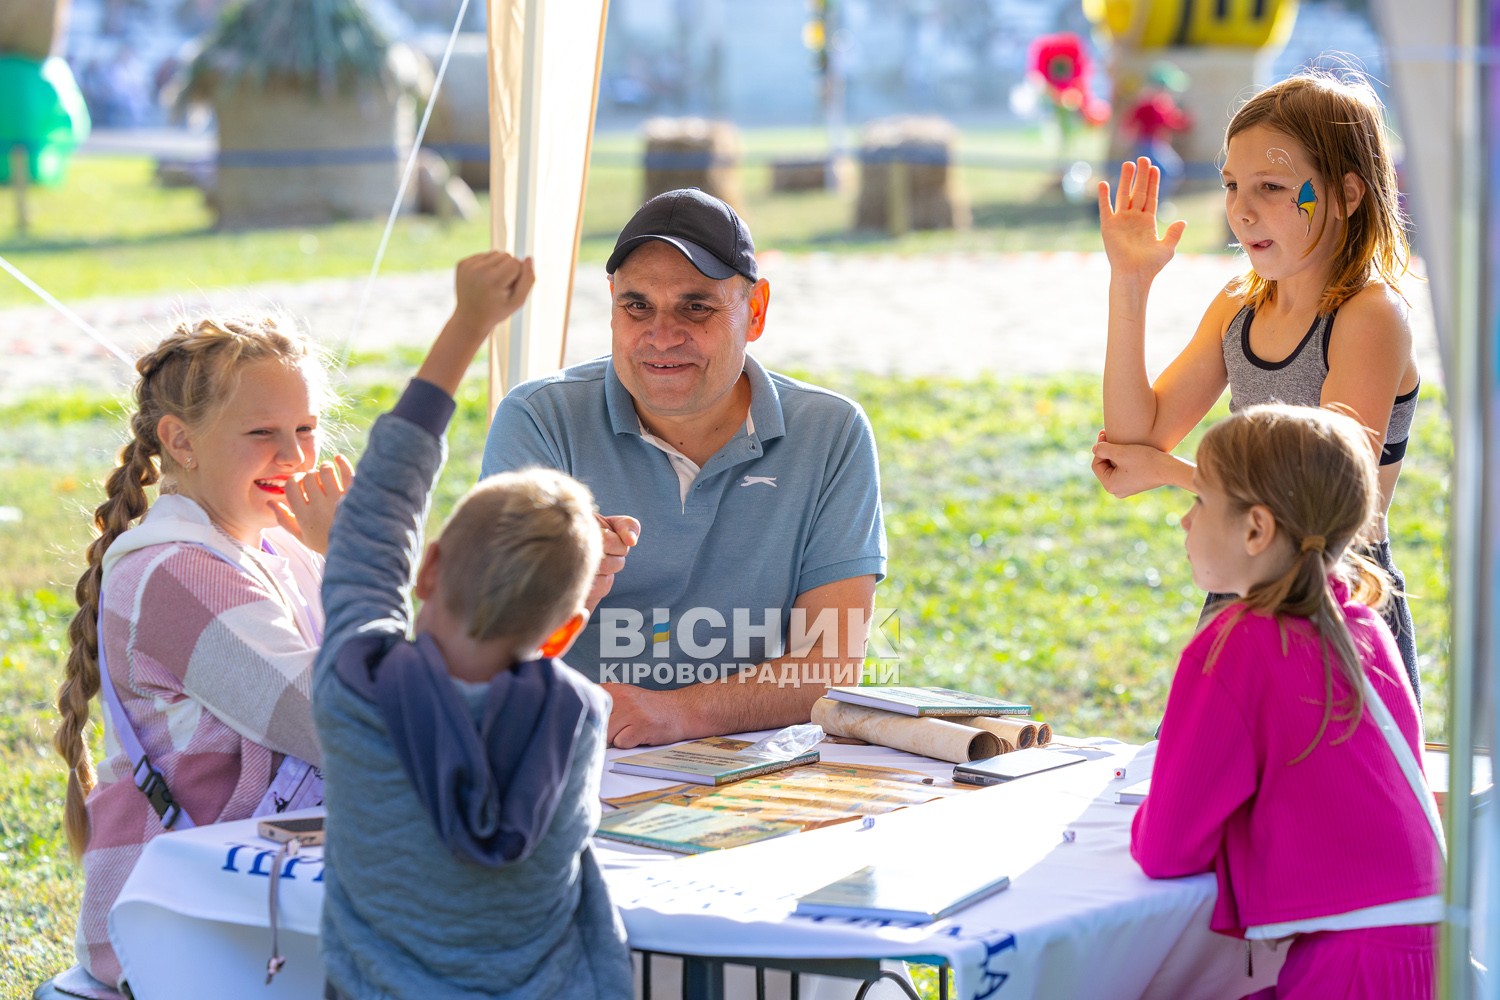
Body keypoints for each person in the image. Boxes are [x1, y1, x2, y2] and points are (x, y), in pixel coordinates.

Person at [314, 250, 631, 999]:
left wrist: (469, 324)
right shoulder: (580, 715)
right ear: (564, 635)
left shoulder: (355, 687)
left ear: (427, 572)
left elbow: (376, 514)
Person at [482, 188, 887, 749]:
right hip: (566, 753)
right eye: (637, 305)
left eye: (696, 306)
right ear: (612, 304)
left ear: (757, 311)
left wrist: (679, 713)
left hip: (749, 761)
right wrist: (568, 593)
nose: (662, 335)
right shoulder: (538, 419)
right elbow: (487, 648)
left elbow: (832, 664)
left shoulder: (831, 431)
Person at [1091, 71, 1423, 701]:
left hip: (1337, 606)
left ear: (1348, 193)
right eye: (1232, 185)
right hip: (1241, 593)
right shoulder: (1238, 306)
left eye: (1271, 187)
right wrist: (1128, 286)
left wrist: (1171, 474)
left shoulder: (1369, 315)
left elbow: (1320, 498)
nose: (1242, 208)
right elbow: (1130, 442)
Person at [50, 315, 350, 998]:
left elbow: (396, 690)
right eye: (262, 433)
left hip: (268, 893)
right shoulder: (176, 574)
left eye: (305, 430)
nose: (296, 457)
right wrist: (360, 558)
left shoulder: (281, 549)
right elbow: (345, 724)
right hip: (187, 929)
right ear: (180, 441)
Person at [1131, 404, 1443, 1000]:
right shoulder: (1363, 627)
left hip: (1352, 965)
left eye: (1199, 501)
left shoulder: (1236, 644)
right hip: (1429, 952)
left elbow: (1166, 850)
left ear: (1255, 529)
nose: (1183, 520)